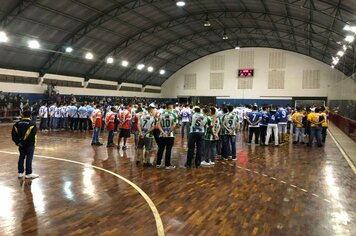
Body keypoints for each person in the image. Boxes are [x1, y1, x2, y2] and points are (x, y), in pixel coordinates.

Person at [11, 110, 39, 179]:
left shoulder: (17, 124)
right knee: (29, 158)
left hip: (21, 145)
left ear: (22, 115)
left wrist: (18, 142)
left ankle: (20, 173)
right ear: (30, 116)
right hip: (30, 144)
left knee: (21, 157)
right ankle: (28, 173)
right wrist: (24, 142)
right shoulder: (32, 124)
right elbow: (32, 135)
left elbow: (13, 134)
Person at [156, 102, 177, 169]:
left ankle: (158, 163)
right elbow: (174, 125)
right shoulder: (174, 115)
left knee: (161, 149)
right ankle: (167, 165)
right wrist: (167, 133)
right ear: (170, 107)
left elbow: (158, 125)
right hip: (170, 135)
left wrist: (163, 132)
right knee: (168, 150)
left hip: (162, 135)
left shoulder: (161, 114)